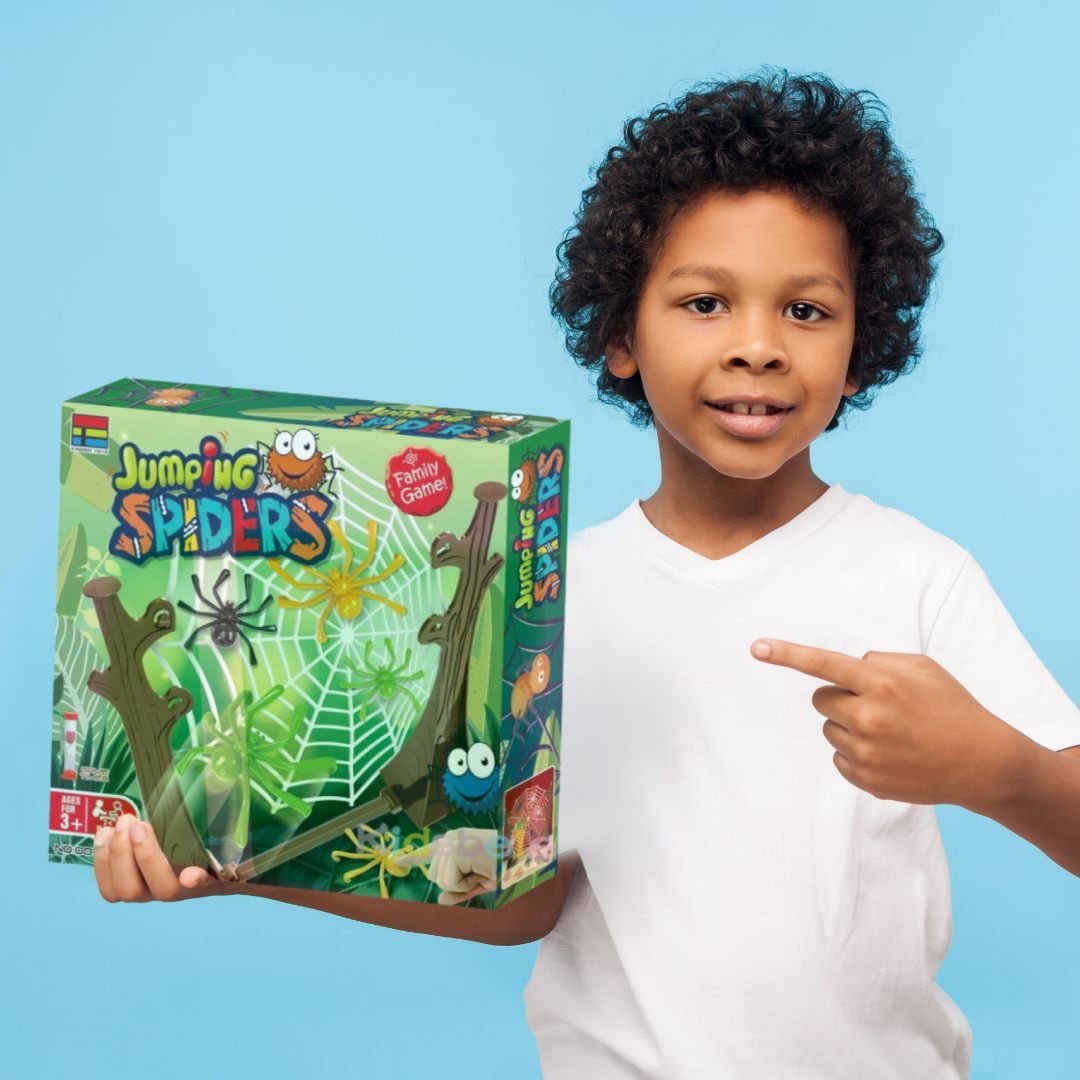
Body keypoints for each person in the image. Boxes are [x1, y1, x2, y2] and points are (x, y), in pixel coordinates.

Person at [92, 68, 1080, 1078]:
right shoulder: (541, 599)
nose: (758, 347)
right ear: (620, 334)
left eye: (806, 310)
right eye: (705, 302)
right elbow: (518, 899)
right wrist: (239, 864)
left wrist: (999, 769)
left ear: (861, 344)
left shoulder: (917, 576)